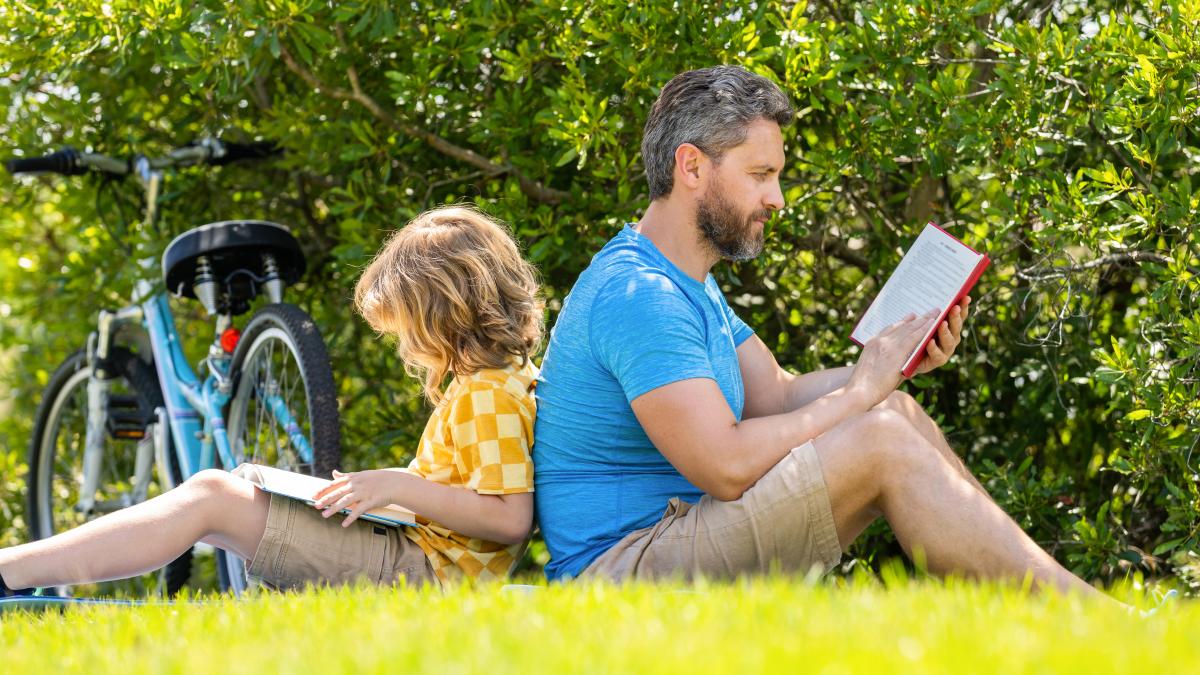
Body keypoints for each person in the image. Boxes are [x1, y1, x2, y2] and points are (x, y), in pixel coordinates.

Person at [532, 65, 1112, 601]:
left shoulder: (687, 282)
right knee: (880, 438)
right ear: (692, 167)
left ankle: (1046, 610)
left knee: (899, 413)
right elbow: (726, 466)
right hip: (618, 573)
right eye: (760, 175)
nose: (775, 199)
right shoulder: (639, 296)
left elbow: (778, 396)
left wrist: (894, 363)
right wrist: (860, 393)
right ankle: (1092, 621)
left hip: (675, 531)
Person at [0, 205, 543, 595]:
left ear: (441, 313)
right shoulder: (499, 382)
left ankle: (12, 571)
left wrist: (398, 486)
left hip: (423, 573)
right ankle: (17, 571)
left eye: (406, 329)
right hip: (415, 557)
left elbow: (510, 518)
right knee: (220, 500)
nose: (406, 346)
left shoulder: (486, 394)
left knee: (212, 496)